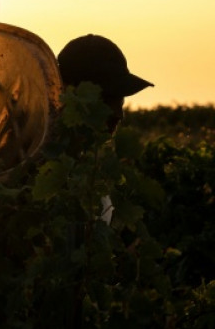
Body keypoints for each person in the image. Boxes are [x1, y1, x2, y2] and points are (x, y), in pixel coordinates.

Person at [56, 34, 154, 222]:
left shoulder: (91, 178)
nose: (119, 114)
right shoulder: (30, 165)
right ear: (70, 97)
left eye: (120, 100)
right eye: (107, 99)